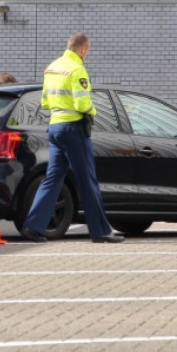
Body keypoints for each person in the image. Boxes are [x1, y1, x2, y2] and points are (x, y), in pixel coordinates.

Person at [20, 33, 123, 243]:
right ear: (83, 49)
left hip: (55, 127)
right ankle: (101, 231)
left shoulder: (51, 68)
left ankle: (34, 226)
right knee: (87, 179)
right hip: (73, 129)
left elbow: (46, 103)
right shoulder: (77, 70)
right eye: (88, 51)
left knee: (53, 178)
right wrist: (93, 112)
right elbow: (82, 104)